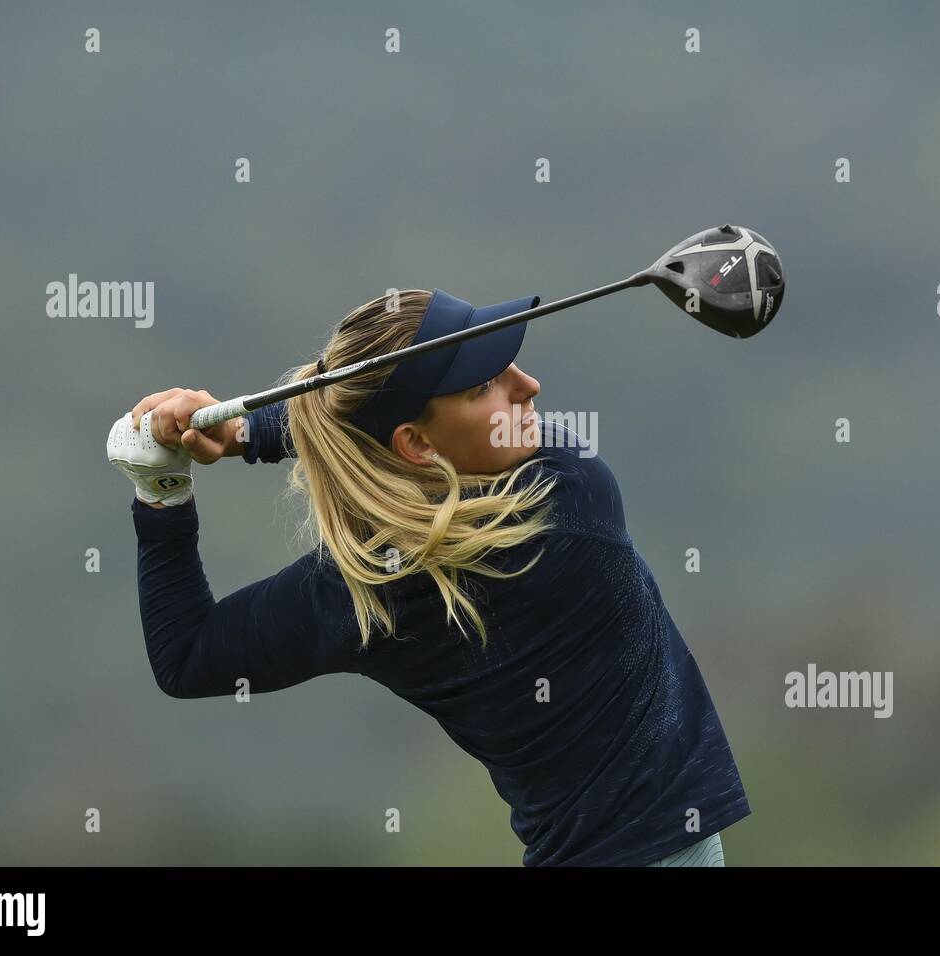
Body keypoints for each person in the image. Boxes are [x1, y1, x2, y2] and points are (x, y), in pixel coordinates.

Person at [107, 288, 750, 866]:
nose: (528, 386)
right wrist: (253, 432)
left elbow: (187, 656)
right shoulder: (571, 500)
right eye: (485, 386)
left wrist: (162, 490)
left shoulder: (361, 592)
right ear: (416, 443)